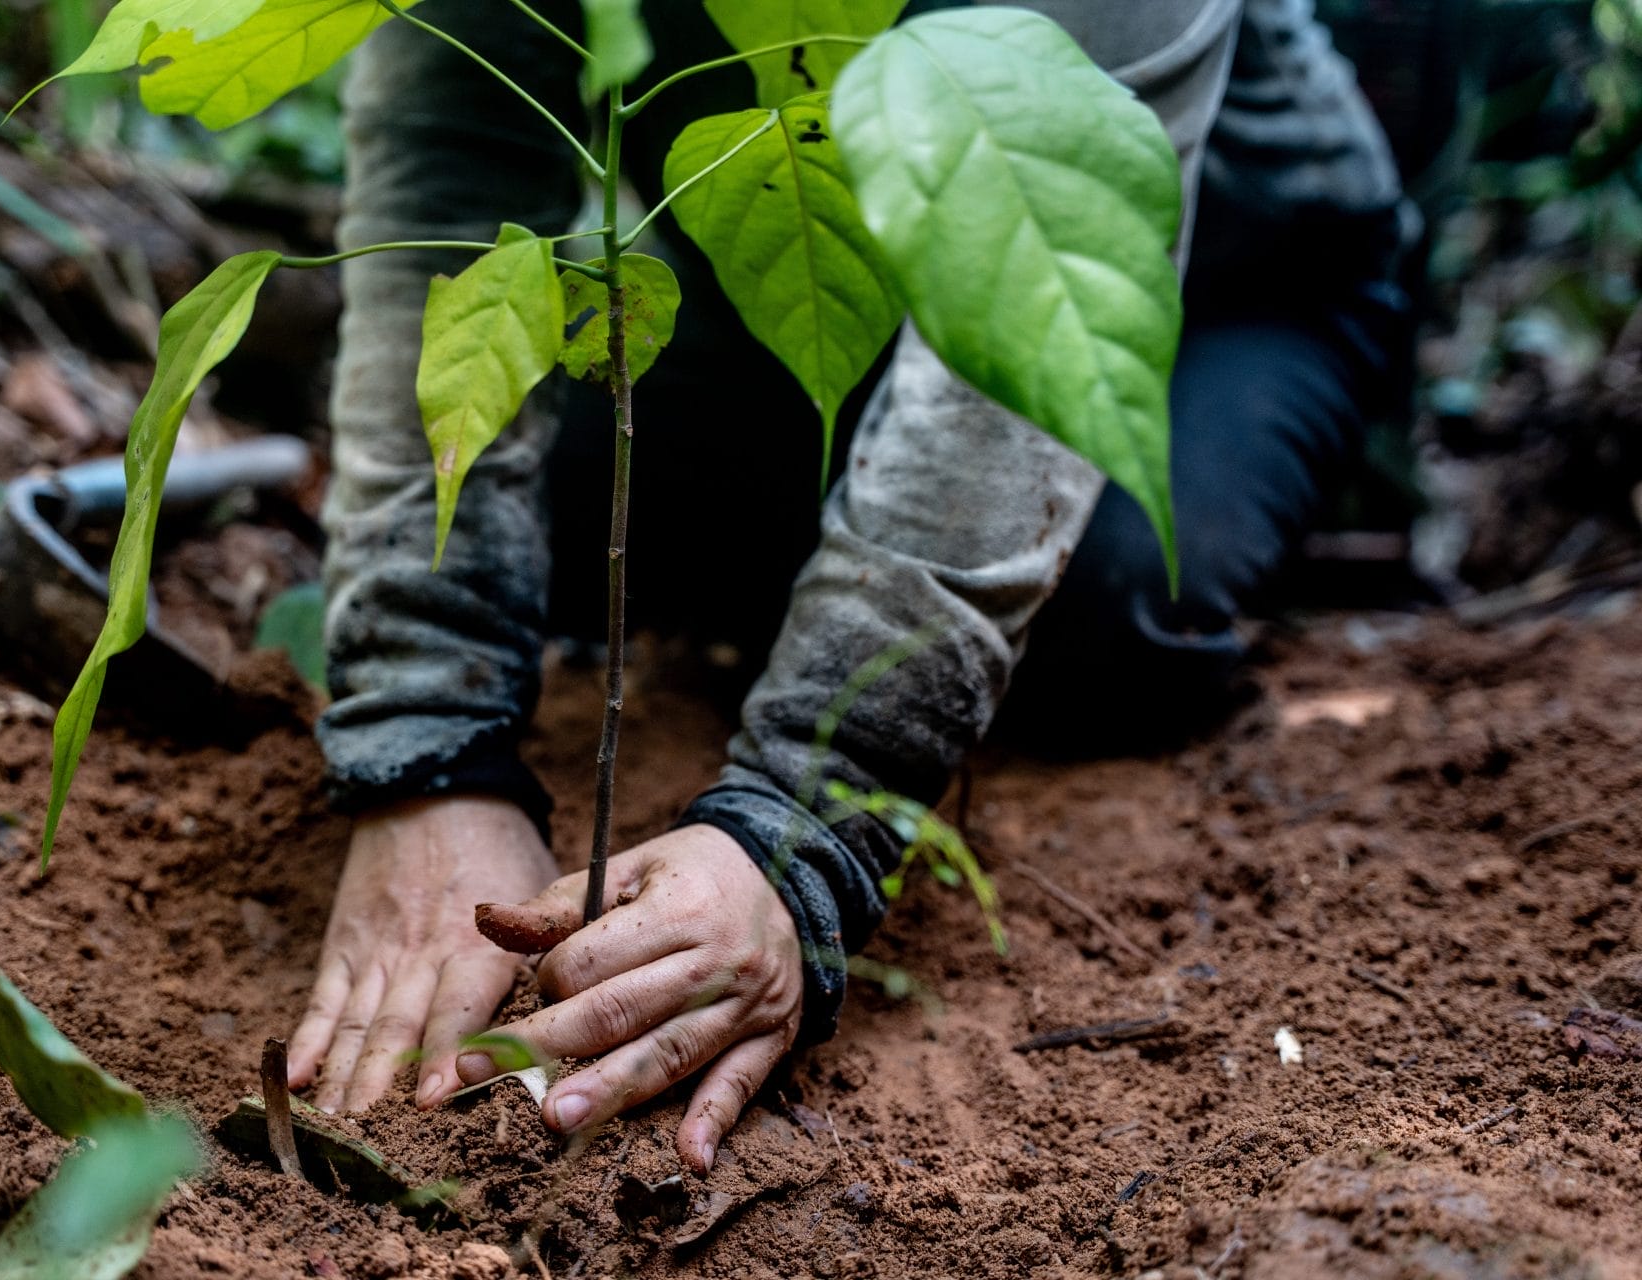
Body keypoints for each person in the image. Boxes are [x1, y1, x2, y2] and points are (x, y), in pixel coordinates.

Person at [285, 0, 1413, 1174]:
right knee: (541, 502)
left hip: (1214, 287)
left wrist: (798, 827)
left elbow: (1016, 327)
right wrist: (428, 756)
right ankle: (837, 514)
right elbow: (446, 186)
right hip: (802, 296)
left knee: (1104, 602)